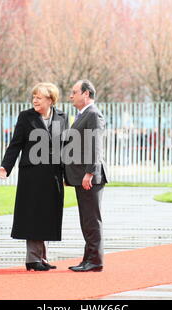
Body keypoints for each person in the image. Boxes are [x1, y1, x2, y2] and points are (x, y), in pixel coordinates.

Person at [0, 82, 68, 271]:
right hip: (32, 176)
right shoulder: (26, 117)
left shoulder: (62, 117)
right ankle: (33, 259)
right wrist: (6, 166)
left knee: (47, 215)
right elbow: (16, 144)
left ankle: (41, 257)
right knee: (33, 215)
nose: (35, 100)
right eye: (33, 97)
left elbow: (64, 148)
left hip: (53, 175)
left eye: (39, 97)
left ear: (50, 99)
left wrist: (67, 174)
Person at [65, 80, 108, 272]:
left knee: (91, 219)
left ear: (86, 94)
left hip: (89, 177)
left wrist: (89, 172)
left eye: (75, 92)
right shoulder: (83, 114)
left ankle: (95, 262)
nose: (71, 96)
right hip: (82, 176)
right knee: (86, 219)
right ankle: (88, 259)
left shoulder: (93, 114)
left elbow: (95, 146)